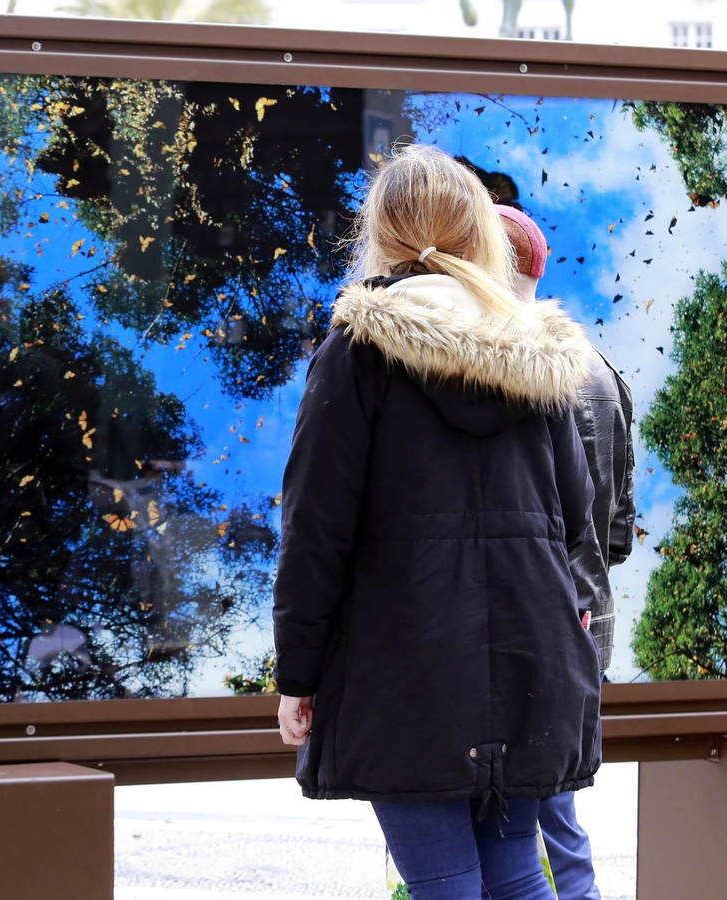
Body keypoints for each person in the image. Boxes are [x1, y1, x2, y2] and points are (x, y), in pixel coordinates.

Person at [272, 145, 600, 900]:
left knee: (444, 885)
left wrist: (299, 676)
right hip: (530, 663)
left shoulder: (357, 351)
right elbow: (577, 518)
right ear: (480, 230)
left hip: (404, 674)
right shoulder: (535, 351)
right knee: (518, 879)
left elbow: (316, 528)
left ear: (382, 234)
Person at [498, 204, 636, 900]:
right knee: (558, 808)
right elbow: (620, 529)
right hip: (589, 617)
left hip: (535, 620)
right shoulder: (600, 367)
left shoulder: (508, 367)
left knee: (529, 819)